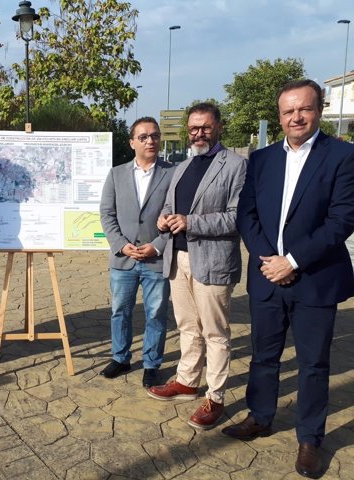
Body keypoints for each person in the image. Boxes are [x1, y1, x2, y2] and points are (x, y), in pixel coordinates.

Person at [224, 79, 354, 479]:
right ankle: (261, 416)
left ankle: (310, 438)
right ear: (279, 116)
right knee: (265, 356)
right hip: (266, 277)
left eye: (304, 109)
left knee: (314, 364)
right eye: (288, 111)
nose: (296, 117)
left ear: (319, 109)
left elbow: (342, 219)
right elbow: (247, 213)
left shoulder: (343, 157)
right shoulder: (261, 159)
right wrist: (269, 260)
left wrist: (292, 261)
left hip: (315, 278)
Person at [147, 102, 247, 431]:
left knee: (215, 333)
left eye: (205, 127)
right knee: (188, 327)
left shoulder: (236, 165)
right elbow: (169, 206)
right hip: (178, 258)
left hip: (213, 261)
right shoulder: (182, 166)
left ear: (219, 127)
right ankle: (188, 382)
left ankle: (215, 397)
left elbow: (238, 217)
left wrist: (190, 222)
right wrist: (164, 219)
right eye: (193, 128)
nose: (198, 133)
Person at [99, 117, 173, 387]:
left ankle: (152, 363)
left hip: (156, 258)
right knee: (120, 311)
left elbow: (176, 215)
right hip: (123, 258)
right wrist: (121, 244)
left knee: (155, 313)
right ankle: (120, 357)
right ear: (132, 143)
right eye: (143, 137)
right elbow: (107, 214)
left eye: (154, 136)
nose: (150, 141)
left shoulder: (172, 173)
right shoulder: (116, 174)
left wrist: (157, 245)